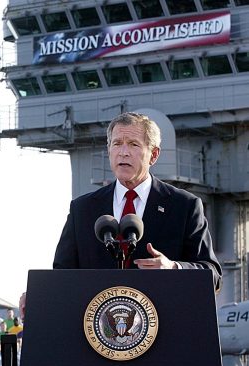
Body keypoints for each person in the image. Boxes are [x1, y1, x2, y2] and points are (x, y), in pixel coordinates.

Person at [53, 112, 222, 289]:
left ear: (154, 155)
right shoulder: (82, 209)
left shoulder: (184, 206)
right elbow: (61, 274)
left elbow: (213, 275)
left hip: (161, 315)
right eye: (117, 143)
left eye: (133, 144)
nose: (123, 153)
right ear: (109, 149)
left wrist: (174, 268)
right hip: (98, 316)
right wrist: (37, 294)